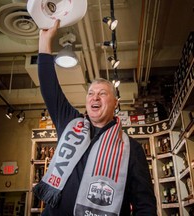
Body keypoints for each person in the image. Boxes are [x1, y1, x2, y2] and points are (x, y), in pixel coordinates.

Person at [33, 20, 157, 216]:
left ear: (115, 103)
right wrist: (44, 42)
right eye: (90, 93)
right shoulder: (70, 123)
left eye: (102, 93)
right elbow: (49, 87)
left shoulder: (131, 149)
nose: (95, 97)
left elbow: (145, 205)